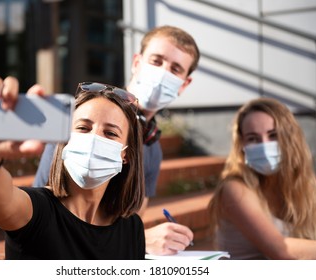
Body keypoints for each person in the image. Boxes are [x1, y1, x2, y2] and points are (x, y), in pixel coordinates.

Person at [32, 25, 200, 255]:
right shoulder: (83, 122)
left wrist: (134, 239)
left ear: (184, 84)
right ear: (136, 63)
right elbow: (43, 216)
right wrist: (139, 240)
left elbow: (130, 218)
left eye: (176, 68)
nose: (163, 73)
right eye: (157, 60)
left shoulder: (152, 147)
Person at [0, 77, 146, 259]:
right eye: (83, 128)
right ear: (65, 139)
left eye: (111, 133)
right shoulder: (36, 211)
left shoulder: (132, 228)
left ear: (126, 155)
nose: (94, 138)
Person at [208, 97, 316, 259]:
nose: (264, 145)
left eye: (273, 135)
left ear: (291, 138)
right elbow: (280, 250)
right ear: (242, 145)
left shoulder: (312, 187)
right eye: (253, 138)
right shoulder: (235, 188)